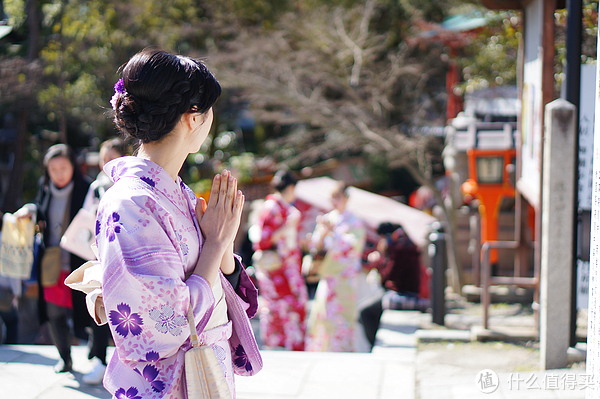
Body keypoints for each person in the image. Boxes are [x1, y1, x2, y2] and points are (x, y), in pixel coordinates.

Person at [95, 49, 261, 398]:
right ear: (192, 116)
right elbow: (163, 323)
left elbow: (223, 289)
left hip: (205, 371)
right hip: (165, 381)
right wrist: (214, 245)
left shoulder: (177, 194)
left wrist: (224, 247)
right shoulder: (130, 203)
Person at [17, 143, 92, 372]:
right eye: (53, 169)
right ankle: (65, 357)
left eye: (63, 167)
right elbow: (40, 208)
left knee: (88, 311)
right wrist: (30, 209)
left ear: (73, 167)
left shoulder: (87, 189)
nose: (59, 173)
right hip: (53, 262)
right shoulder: (45, 186)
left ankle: (96, 353)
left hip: (81, 262)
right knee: (53, 311)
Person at [81, 137, 129, 385]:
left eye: (112, 158)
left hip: (125, 256)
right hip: (100, 256)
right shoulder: (96, 187)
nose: (106, 163)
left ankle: (125, 364)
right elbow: (86, 217)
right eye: (103, 159)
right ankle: (98, 360)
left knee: (125, 312)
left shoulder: (131, 185)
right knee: (98, 308)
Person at [305, 181, 366, 352]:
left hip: (345, 276)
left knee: (343, 312)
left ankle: (343, 348)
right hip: (328, 274)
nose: (334, 201)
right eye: (332, 198)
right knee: (323, 311)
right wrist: (323, 233)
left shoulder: (354, 221)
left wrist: (333, 233)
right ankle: (322, 348)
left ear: (346, 198)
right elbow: (315, 246)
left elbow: (352, 246)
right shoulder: (327, 219)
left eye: (337, 197)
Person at [251, 170, 308, 351]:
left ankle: (289, 343)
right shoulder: (272, 208)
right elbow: (263, 240)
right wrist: (288, 226)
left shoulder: (284, 208)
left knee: (291, 303)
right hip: (276, 267)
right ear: (291, 188)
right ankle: (279, 343)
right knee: (280, 305)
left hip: (287, 266)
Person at [359, 222, 428, 350]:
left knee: (365, 313)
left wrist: (378, 261)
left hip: (404, 294)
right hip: (406, 291)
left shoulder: (400, 248)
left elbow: (389, 276)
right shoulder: (405, 243)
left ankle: (374, 346)